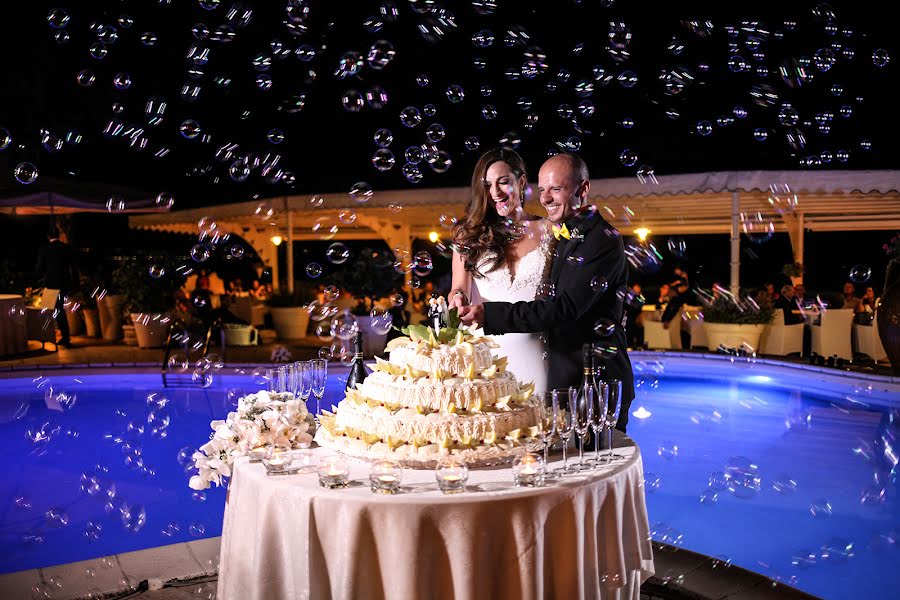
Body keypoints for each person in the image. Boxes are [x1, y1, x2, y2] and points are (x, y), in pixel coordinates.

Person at [458, 152, 635, 432]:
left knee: (587, 467)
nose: (546, 198)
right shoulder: (566, 232)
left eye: (556, 189)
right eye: (542, 190)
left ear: (583, 188)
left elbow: (564, 306)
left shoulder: (600, 240)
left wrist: (489, 314)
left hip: (591, 381)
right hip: (553, 372)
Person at [447, 148, 551, 394]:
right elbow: (458, 288)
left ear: (521, 182)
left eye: (503, 182)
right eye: (487, 185)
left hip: (536, 350)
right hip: (484, 354)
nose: (494, 192)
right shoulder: (467, 235)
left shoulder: (550, 230)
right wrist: (457, 300)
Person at [35, 226, 78, 347]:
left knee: (49, 310)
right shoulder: (66, 248)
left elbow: (39, 269)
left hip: (50, 284)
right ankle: (64, 336)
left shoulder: (44, 249)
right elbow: (73, 267)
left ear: (48, 236)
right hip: (64, 283)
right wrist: (75, 283)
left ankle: (50, 336)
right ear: (58, 235)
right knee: (59, 310)